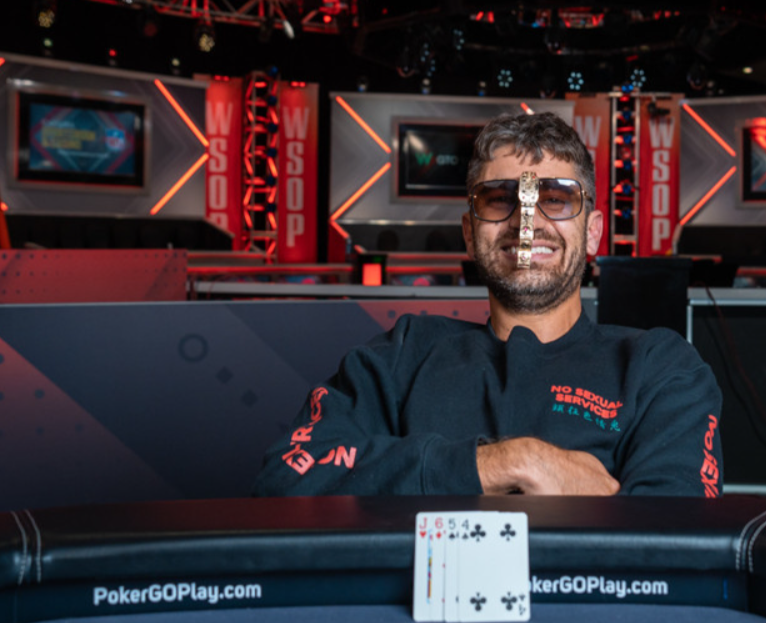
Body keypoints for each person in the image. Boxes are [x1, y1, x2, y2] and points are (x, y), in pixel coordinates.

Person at [253, 111, 722, 497]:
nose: (526, 223)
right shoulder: (403, 355)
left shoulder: (661, 369)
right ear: (469, 233)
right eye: (500, 200)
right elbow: (285, 480)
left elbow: (680, 538)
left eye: (555, 199)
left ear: (594, 231)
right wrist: (504, 463)